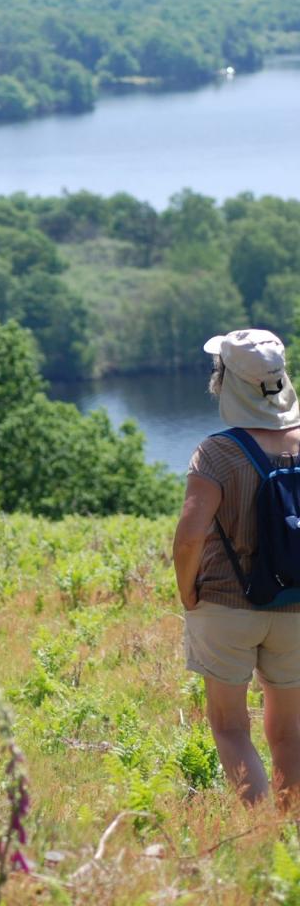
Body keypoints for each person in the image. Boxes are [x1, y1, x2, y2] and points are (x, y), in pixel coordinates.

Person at [173, 329, 300, 807]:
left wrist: (188, 592)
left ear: (226, 382)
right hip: (296, 606)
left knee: (229, 726)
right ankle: (292, 833)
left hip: (226, 606)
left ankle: (260, 828)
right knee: (289, 730)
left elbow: (188, 538)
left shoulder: (216, 452)